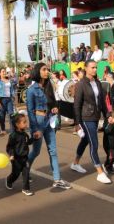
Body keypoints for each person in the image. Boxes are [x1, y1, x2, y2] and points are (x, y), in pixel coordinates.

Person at [26, 62, 71, 190]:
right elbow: (30, 111)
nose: (47, 72)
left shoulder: (49, 86)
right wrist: (35, 129)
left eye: (47, 69)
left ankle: (57, 179)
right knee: (36, 151)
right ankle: (25, 170)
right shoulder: (31, 90)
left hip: (49, 120)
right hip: (38, 121)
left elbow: (53, 102)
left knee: (53, 150)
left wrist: (55, 108)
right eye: (44, 69)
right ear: (37, 72)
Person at [72, 60, 111, 184]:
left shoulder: (98, 83)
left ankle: (75, 163)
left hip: (95, 117)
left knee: (85, 140)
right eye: (92, 67)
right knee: (94, 143)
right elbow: (76, 105)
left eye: (96, 67)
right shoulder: (80, 84)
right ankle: (100, 172)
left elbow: (102, 102)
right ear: (86, 68)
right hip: (85, 118)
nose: (95, 69)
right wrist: (77, 124)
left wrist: (107, 115)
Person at [5, 113, 34, 196]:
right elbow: (9, 147)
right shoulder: (13, 136)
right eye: (24, 122)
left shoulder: (25, 134)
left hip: (25, 157)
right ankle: (9, 180)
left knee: (26, 172)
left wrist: (33, 138)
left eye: (26, 122)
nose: (26, 124)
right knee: (16, 174)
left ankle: (26, 188)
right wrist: (11, 154)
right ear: (17, 124)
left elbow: (27, 142)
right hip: (16, 159)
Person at [0, 68, 15, 134]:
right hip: (1, 99)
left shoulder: (9, 80)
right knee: (2, 115)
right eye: (3, 71)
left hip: (9, 99)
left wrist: (13, 97)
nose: (4, 72)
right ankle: (3, 129)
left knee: (11, 114)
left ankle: (13, 130)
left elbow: (12, 90)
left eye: (5, 71)